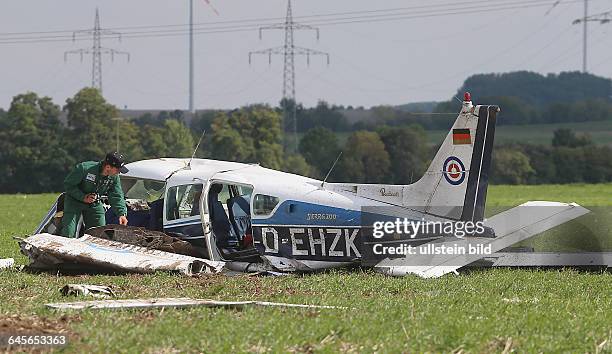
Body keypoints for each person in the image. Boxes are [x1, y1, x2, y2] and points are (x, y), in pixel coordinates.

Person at [60, 152, 130, 238]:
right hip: (74, 201)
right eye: (118, 170)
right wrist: (83, 197)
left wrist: (121, 214)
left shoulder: (114, 177)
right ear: (108, 167)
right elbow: (69, 185)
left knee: (100, 233)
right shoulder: (84, 168)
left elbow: (116, 195)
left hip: (94, 202)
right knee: (69, 232)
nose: (119, 173)